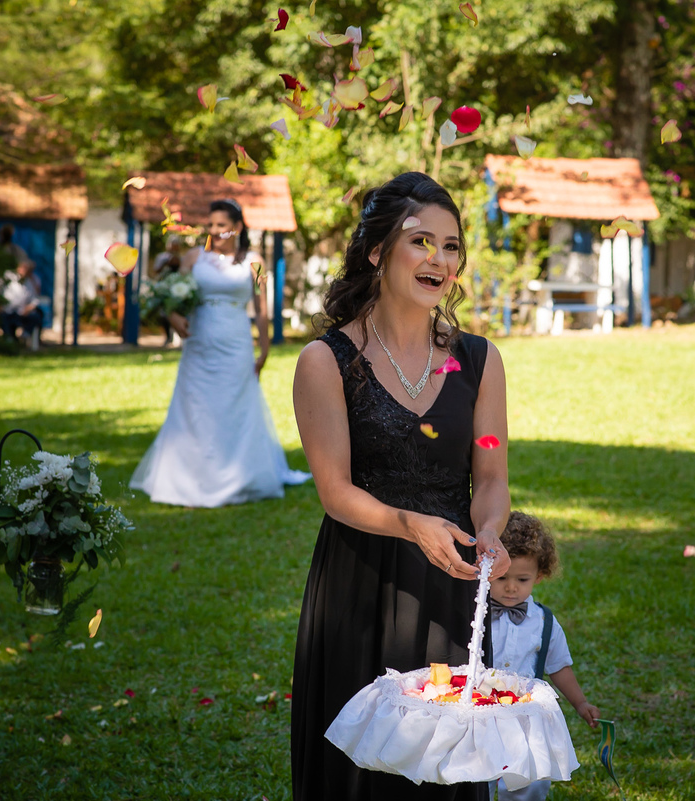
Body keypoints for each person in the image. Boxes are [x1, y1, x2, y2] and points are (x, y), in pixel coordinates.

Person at [291, 172, 512, 800]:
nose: (438, 259)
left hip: (450, 582)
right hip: (363, 578)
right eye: (420, 242)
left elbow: (491, 473)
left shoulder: (478, 360)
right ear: (376, 251)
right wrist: (408, 524)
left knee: (446, 760)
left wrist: (489, 531)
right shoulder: (326, 361)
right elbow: (334, 490)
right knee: (362, 770)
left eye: (450, 246)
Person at [129, 199, 310, 507]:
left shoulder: (254, 261)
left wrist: (264, 350)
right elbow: (168, 294)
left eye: (222, 225)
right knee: (196, 405)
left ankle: (239, 475)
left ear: (237, 227)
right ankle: (191, 477)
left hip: (236, 340)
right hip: (199, 340)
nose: (215, 230)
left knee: (235, 404)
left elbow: (262, 308)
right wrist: (173, 317)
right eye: (211, 225)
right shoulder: (193, 257)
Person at [486, 511, 600, 801]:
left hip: (526, 716)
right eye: (501, 578)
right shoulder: (476, 615)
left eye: (522, 579)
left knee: (529, 779)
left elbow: (559, 666)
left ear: (539, 574)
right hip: (481, 713)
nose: (511, 587)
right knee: (478, 776)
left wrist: (580, 702)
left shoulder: (543, 622)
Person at [0, 259, 44, 348]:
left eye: (28, 270)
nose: (25, 271)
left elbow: (35, 299)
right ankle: (9, 341)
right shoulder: (8, 277)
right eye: (23, 268)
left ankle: (25, 335)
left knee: (37, 316)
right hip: (8, 310)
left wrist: (29, 308)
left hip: (23, 311)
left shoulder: (31, 281)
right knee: (4, 319)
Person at [152, 235, 184, 346]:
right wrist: (166, 263)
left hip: (178, 289)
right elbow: (156, 271)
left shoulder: (183, 258)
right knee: (164, 314)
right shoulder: (162, 257)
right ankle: (167, 337)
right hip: (164, 288)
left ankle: (178, 337)